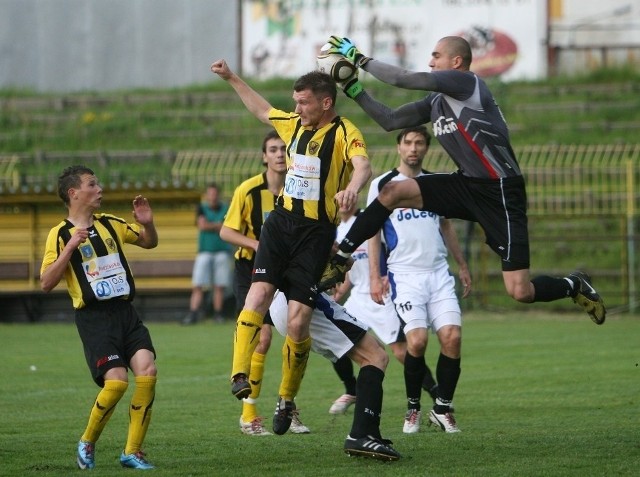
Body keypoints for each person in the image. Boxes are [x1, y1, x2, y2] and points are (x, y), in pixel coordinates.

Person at [319, 35, 606, 325]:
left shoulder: (467, 83)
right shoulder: (437, 101)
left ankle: (575, 285)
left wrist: (361, 59)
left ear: (456, 62)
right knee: (391, 192)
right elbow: (390, 120)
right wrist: (353, 89)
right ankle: (340, 260)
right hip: (466, 184)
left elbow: (405, 78)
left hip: (501, 191)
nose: (431, 62)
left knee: (520, 290)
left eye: (436, 56)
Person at [210, 60, 372, 435]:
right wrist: (232, 78)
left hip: (315, 235)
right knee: (258, 295)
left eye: (303, 102)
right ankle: (238, 374)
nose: (296, 108)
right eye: (295, 102)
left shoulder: (346, 131)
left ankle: (286, 398)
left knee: (298, 322)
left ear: (326, 102)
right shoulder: (294, 125)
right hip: (280, 226)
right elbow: (262, 109)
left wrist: (353, 187)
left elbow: (362, 164)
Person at [40, 165, 158, 470]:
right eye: (92, 184)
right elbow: (45, 282)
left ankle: (133, 451)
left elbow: (148, 241)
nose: (100, 189)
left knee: (147, 370)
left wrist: (149, 224)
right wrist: (69, 248)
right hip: (94, 318)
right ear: (74, 193)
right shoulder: (59, 234)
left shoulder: (111, 224)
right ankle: (87, 441)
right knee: (117, 383)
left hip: (125, 312)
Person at [368, 126, 471, 433]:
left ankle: (442, 408)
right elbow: (372, 232)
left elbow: (446, 226)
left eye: (420, 143)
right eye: (408, 142)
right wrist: (376, 275)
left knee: (452, 337)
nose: (414, 148)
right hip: (406, 276)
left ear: (426, 148)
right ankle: (413, 407)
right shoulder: (382, 185)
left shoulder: (434, 183)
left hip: (439, 273)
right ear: (399, 147)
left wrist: (462, 265)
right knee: (417, 340)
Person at [220, 130, 309, 435]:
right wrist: (260, 245)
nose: (279, 154)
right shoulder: (248, 190)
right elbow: (226, 232)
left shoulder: (301, 188)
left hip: (289, 271)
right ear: (264, 156)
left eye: (284, 149)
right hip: (251, 269)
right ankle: (249, 415)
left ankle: (287, 405)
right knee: (264, 338)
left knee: (297, 331)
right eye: (273, 149)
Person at [269, 290, 401, 461]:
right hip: (303, 299)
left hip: (295, 300)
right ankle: (361, 435)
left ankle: (370, 433)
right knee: (375, 357)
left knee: (377, 349)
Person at [182, 182, 231, 325]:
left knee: (219, 285)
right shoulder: (201, 207)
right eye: (210, 194)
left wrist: (211, 225)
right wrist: (218, 225)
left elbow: (226, 226)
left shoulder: (226, 208)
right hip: (204, 251)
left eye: (215, 194)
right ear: (207, 195)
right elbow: (203, 225)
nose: (213, 197)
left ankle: (218, 314)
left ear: (218, 195)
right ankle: (193, 313)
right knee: (197, 284)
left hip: (222, 251)